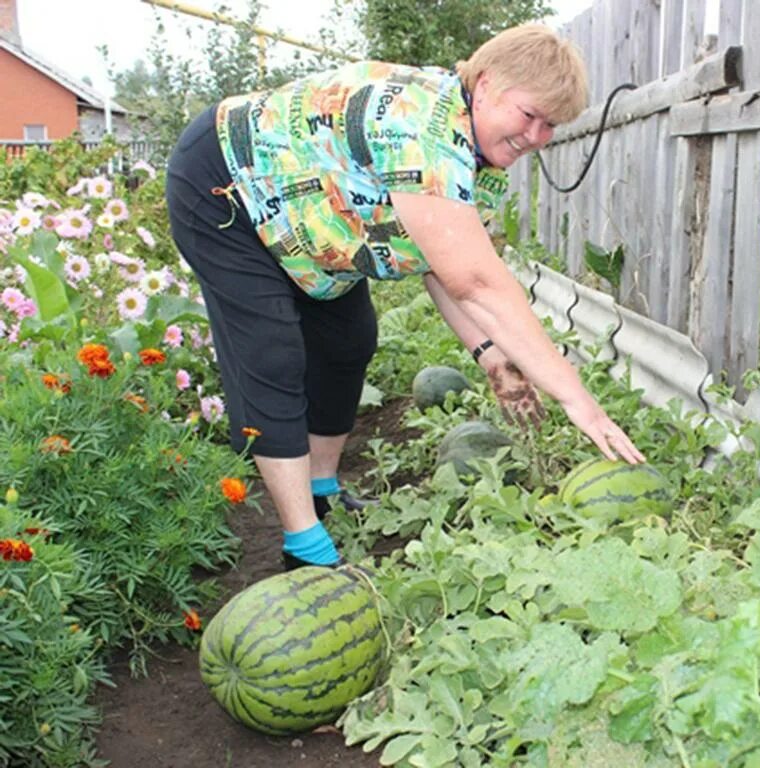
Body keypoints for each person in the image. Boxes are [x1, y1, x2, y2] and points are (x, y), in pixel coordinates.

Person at [165, 23, 645, 571]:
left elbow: (443, 265)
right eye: (529, 115)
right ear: (485, 85)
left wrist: (490, 357)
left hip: (312, 222)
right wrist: (576, 399)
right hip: (227, 188)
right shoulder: (418, 125)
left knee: (348, 340)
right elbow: (478, 282)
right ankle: (304, 545)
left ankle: (322, 490)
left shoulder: (476, 152)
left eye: (550, 126)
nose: (536, 136)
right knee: (272, 352)